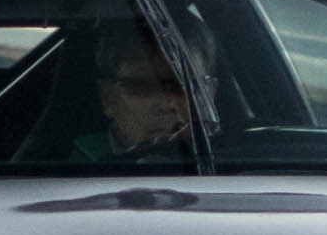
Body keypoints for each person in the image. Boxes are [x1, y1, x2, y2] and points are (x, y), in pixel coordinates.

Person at [71, 12, 218, 163]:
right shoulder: (73, 173)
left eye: (185, 86)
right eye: (142, 87)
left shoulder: (231, 157)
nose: (167, 105)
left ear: (210, 94)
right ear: (108, 98)